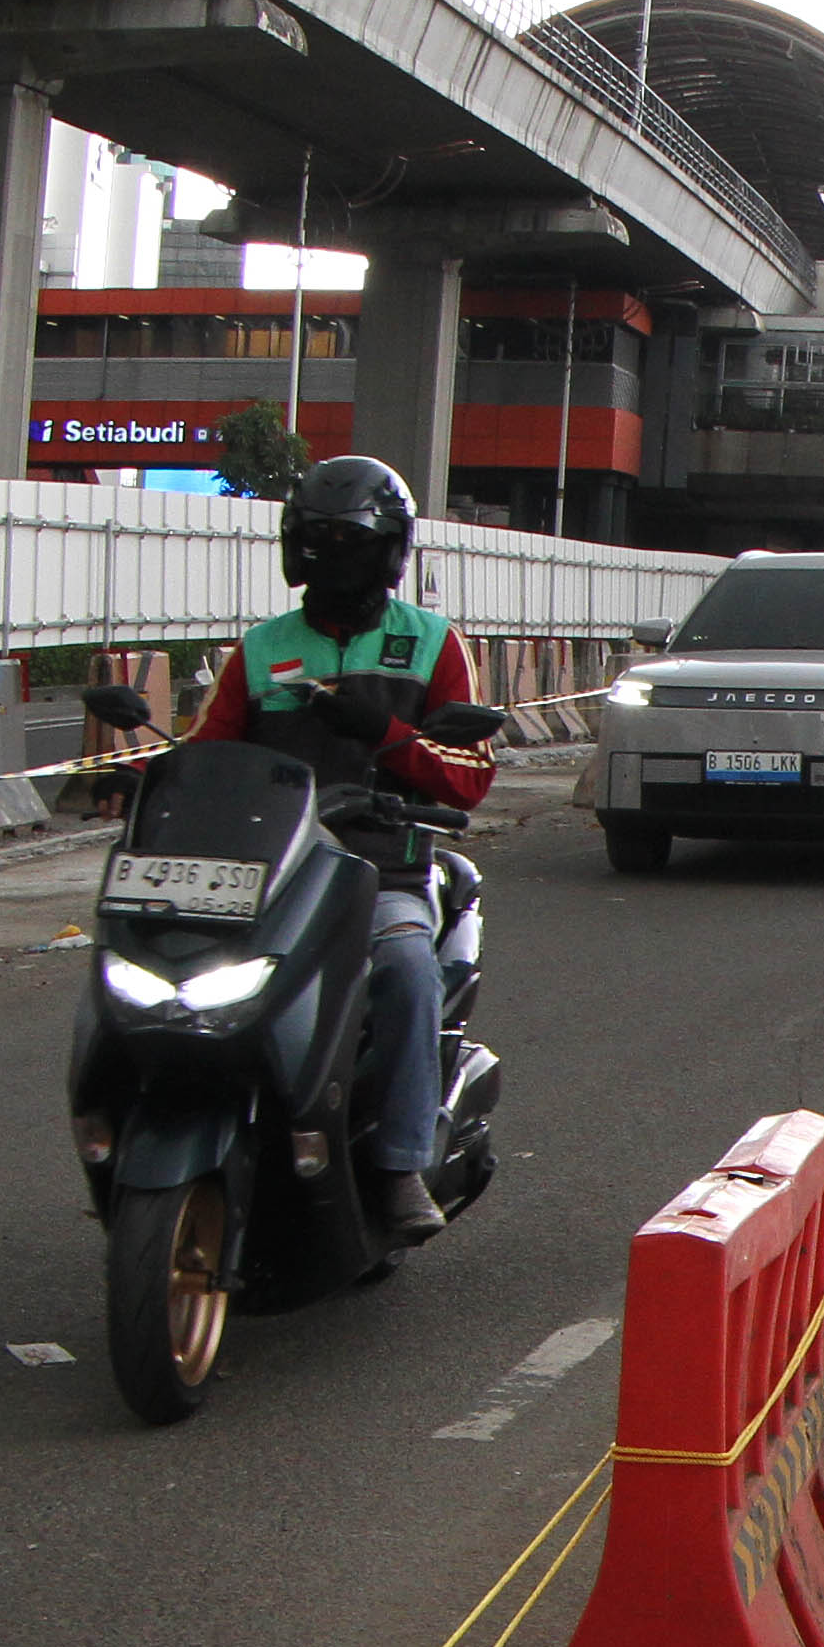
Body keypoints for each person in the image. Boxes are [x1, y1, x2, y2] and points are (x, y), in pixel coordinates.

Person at [187, 456, 494, 1244]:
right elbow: (208, 752)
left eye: (348, 540)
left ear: (389, 550)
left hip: (379, 867)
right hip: (269, 874)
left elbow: (469, 776)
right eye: (318, 540)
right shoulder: (262, 650)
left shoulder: (431, 645)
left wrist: (387, 737)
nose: (332, 556)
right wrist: (145, 780)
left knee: (406, 971)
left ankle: (398, 1166)